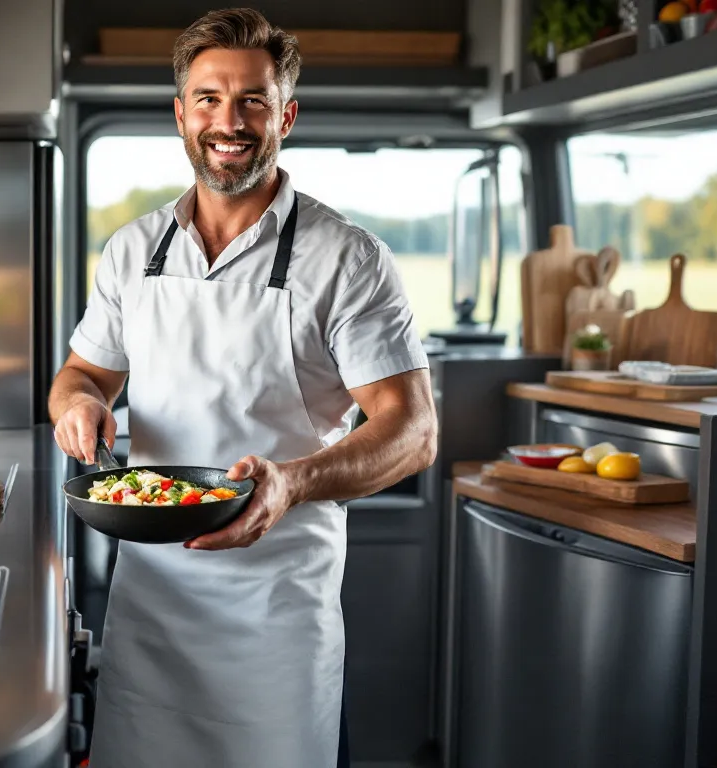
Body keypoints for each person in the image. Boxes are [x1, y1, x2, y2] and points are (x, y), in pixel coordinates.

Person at [47, 8, 438, 767]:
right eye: (209, 99)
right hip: (151, 611)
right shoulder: (134, 250)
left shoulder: (346, 258)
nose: (230, 122)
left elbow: (412, 431)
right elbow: (81, 374)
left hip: (276, 622)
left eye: (253, 100)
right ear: (180, 115)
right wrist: (82, 405)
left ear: (285, 115)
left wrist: (291, 483)